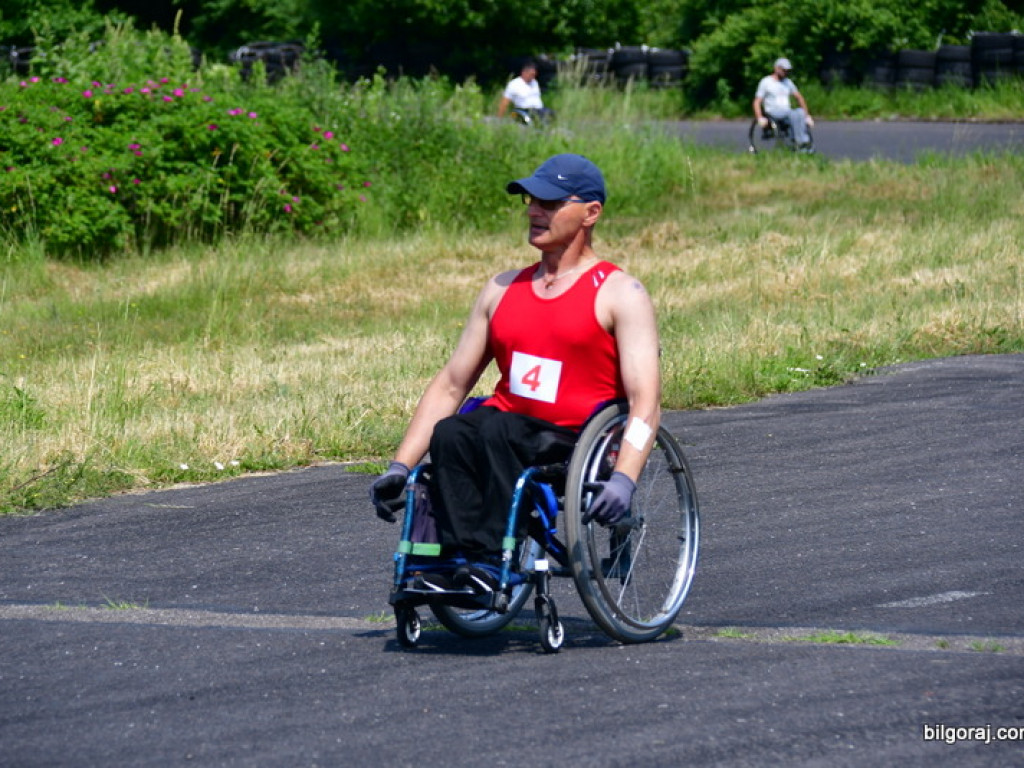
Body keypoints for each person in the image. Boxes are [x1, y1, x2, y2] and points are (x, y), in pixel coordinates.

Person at [369, 153, 661, 592]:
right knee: (451, 433)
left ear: (591, 213)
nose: (533, 210)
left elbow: (646, 402)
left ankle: (487, 562)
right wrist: (399, 465)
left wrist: (625, 477)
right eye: (530, 200)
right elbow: (452, 383)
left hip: (576, 438)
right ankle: (452, 562)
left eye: (549, 202)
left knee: (497, 431)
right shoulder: (502, 289)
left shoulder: (620, 293)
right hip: (507, 426)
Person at [753, 57, 815, 151]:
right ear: (776, 68)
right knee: (793, 114)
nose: (786, 72)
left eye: (787, 70)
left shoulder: (788, 82)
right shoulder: (766, 82)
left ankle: (799, 142)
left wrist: (807, 116)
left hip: (787, 111)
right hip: (773, 112)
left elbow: (799, 97)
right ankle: (802, 143)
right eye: (784, 70)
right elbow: (757, 101)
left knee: (800, 112)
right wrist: (759, 117)